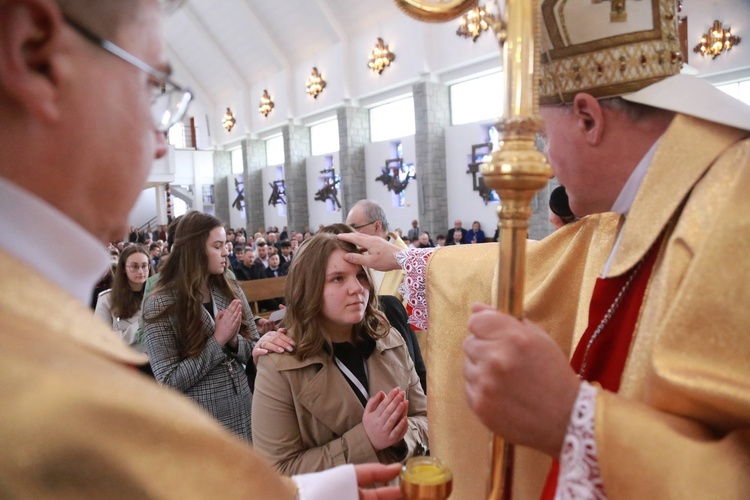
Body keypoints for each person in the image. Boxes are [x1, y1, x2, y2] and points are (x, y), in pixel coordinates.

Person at [338, 1, 750, 498]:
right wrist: (405, 258)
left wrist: (570, 417)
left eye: (544, 136)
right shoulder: (648, 207)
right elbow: (541, 266)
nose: (547, 162)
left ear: (588, 119)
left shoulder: (734, 208)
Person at [0, 0, 399, 496]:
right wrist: (218, 343)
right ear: (35, 54)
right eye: (150, 87)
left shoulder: (219, 285)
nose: (162, 143)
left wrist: (255, 346)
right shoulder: (30, 368)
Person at [252, 231, 428, 475]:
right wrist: (366, 440)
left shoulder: (390, 340)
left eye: (360, 276)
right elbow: (277, 471)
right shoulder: (278, 363)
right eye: (337, 279)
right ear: (309, 288)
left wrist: (401, 438)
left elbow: (426, 419)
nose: (357, 288)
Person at [143, 211, 291, 442]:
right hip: (198, 420)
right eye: (218, 246)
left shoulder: (229, 288)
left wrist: (234, 341)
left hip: (244, 406)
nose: (226, 252)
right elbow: (168, 382)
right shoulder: (160, 302)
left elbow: (253, 347)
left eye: (225, 245)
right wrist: (218, 340)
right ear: (194, 250)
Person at [95, 244, 152, 356]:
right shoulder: (107, 299)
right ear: (124, 269)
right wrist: (141, 327)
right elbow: (100, 338)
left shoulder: (158, 296)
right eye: (134, 267)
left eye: (144, 266)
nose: (141, 271)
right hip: (124, 362)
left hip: (156, 364)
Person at [345, 199, 408, 300]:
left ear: (377, 226)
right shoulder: (355, 256)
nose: (351, 235)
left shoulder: (406, 263)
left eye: (355, 228)